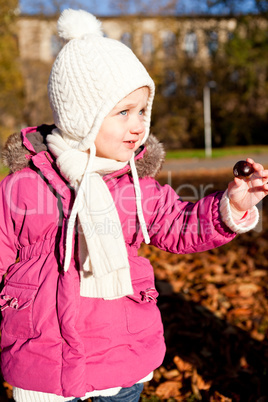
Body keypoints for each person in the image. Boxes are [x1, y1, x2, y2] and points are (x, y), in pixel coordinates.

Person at [0, 9, 267, 402]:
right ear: (80, 117)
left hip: (121, 351)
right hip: (42, 356)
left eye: (142, 110)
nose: (139, 125)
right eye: (123, 112)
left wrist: (231, 206)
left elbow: (180, 224)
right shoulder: (22, 187)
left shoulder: (136, 187)